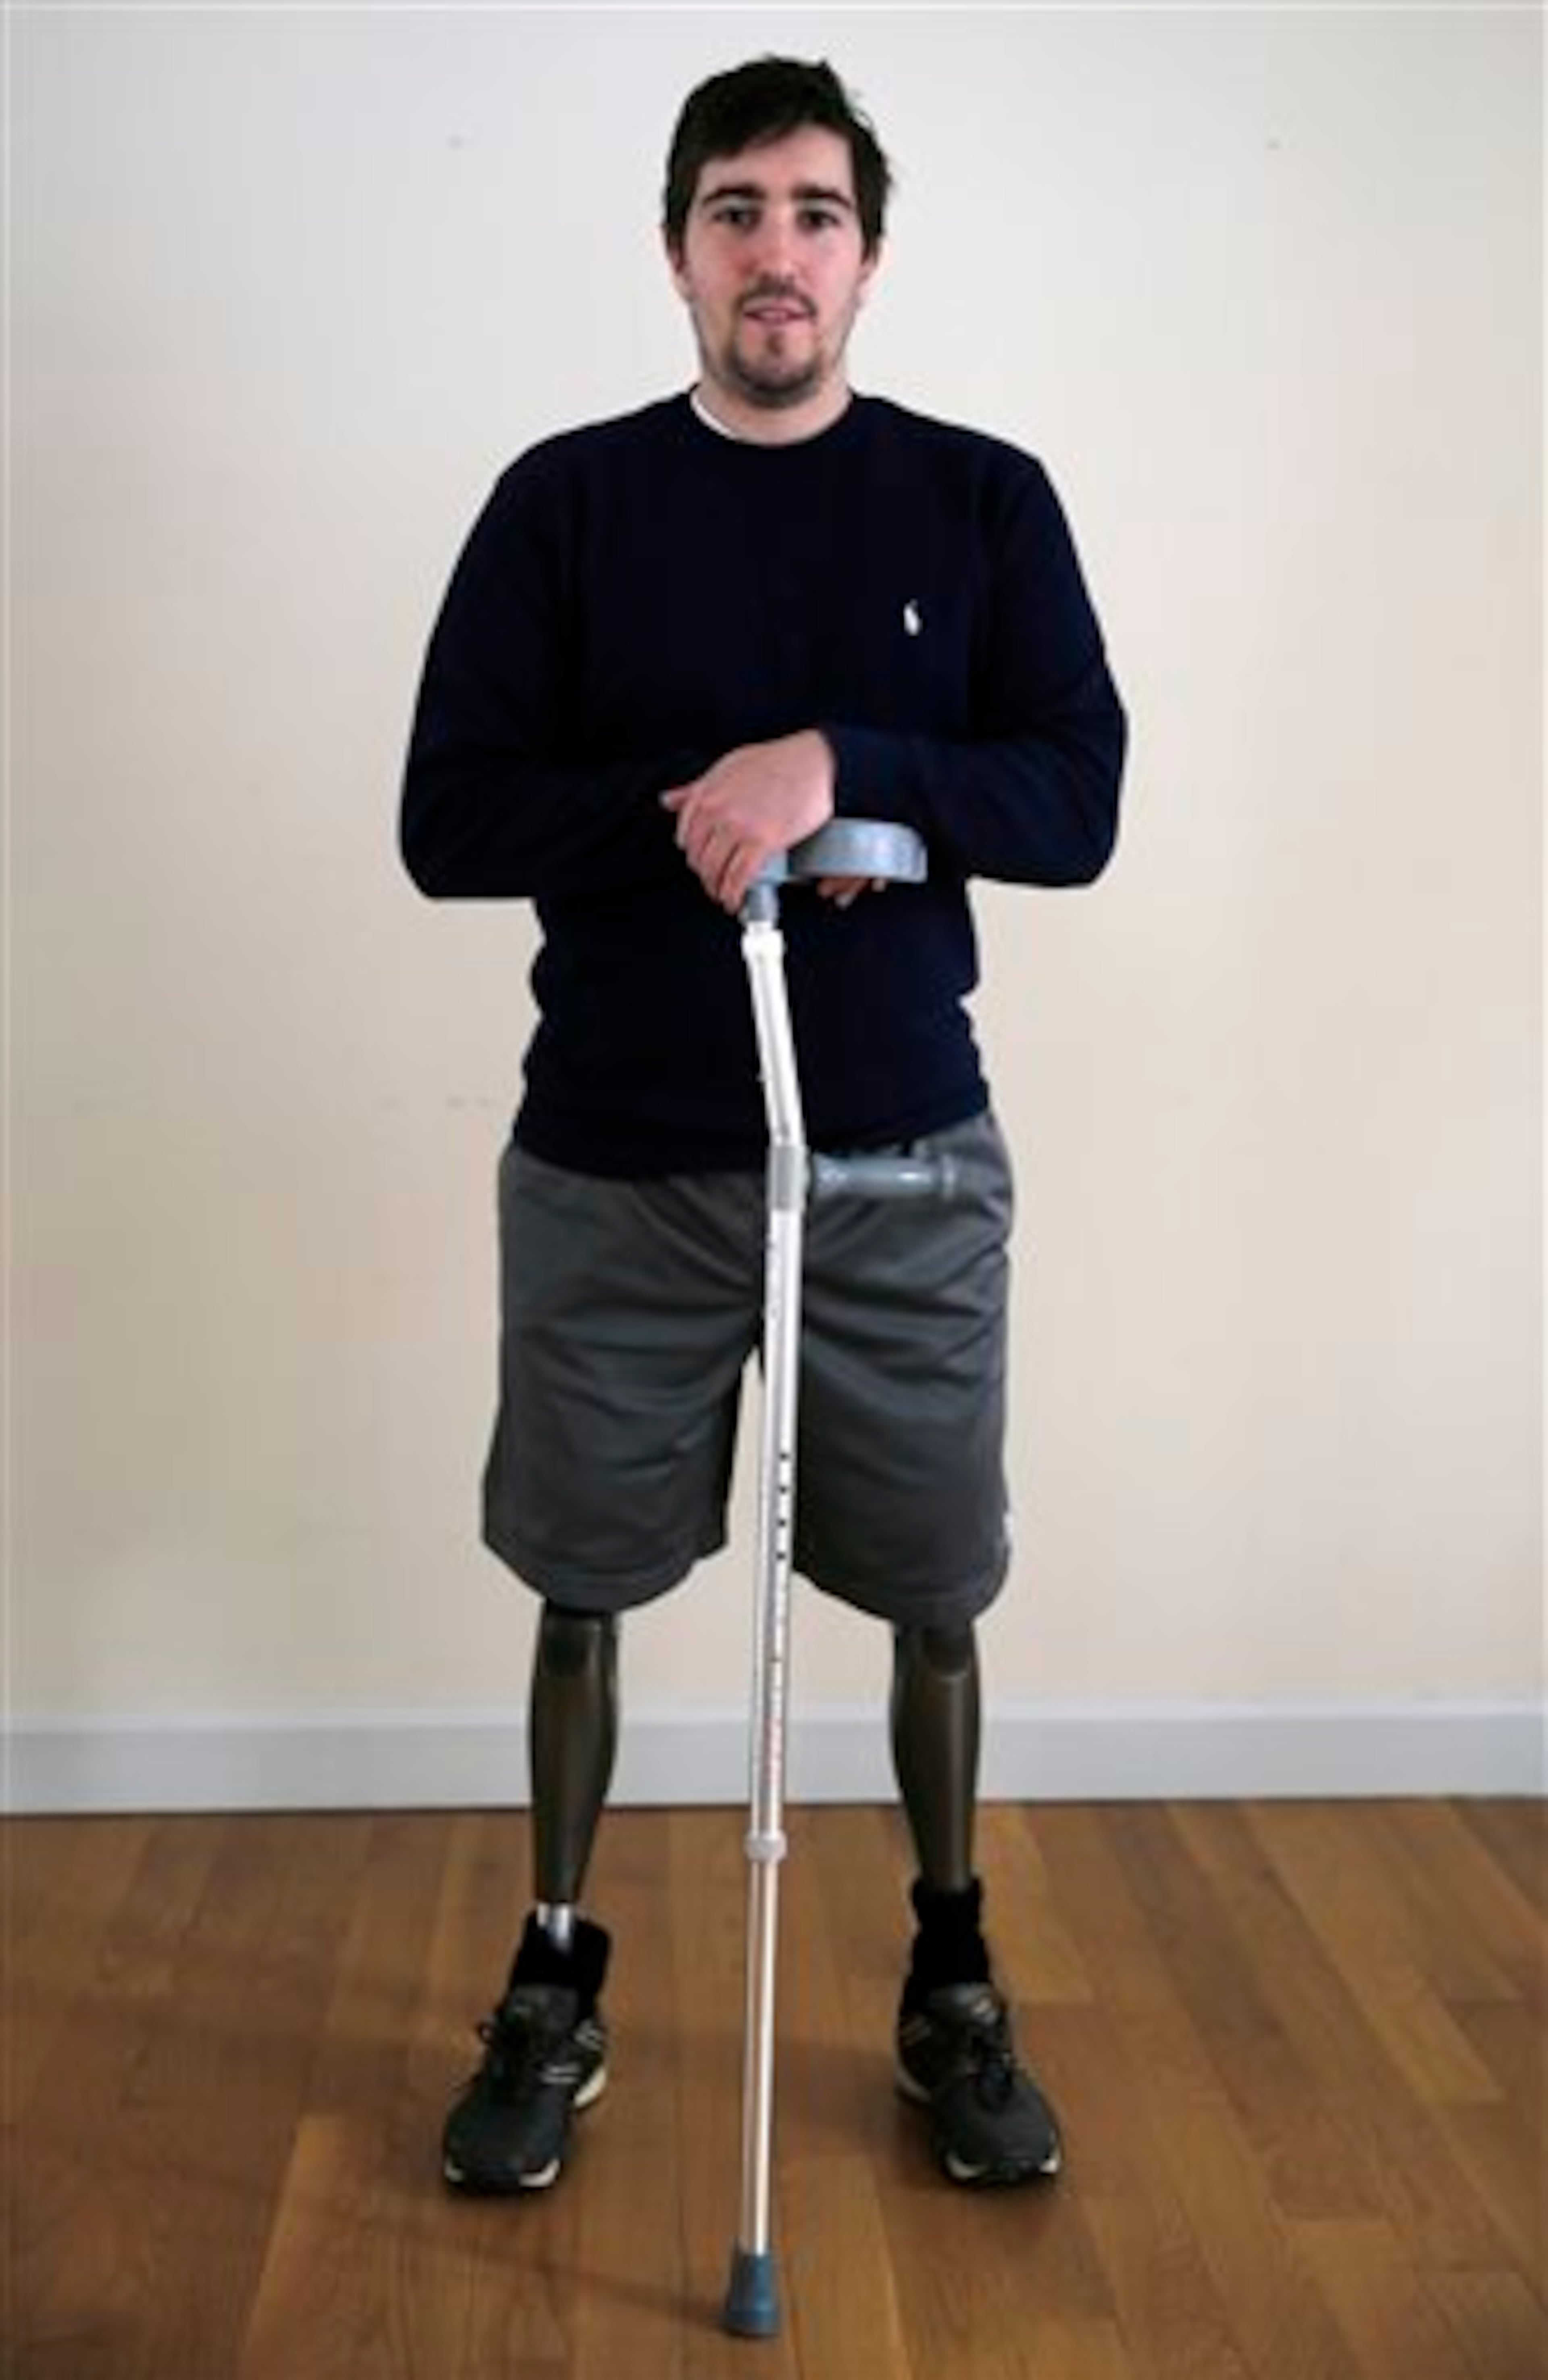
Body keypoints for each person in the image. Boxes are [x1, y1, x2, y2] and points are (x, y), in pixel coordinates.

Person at [400, 54, 1126, 2199]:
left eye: (815, 213)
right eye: (736, 211)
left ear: (868, 259)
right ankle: (555, 1966)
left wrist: (848, 768)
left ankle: (950, 1969)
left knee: (931, 1586)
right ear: (678, 252)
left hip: (898, 1159)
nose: (776, 253)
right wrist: (702, 812)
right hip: (617, 1163)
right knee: (583, 1581)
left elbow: (1075, 797)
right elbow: (450, 820)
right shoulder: (567, 503)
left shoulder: (981, 502)